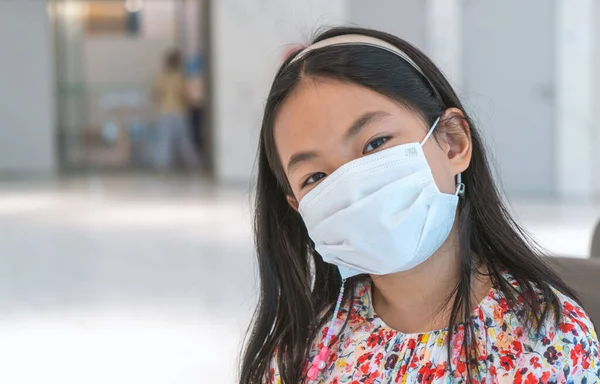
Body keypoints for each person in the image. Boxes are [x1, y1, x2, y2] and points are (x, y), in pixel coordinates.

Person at [240, 27, 600, 383]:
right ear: (298, 207)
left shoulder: (546, 340)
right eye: (315, 178)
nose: (351, 187)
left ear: (453, 142)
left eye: (375, 143)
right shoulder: (298, 352)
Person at [153, 50, 200, 171]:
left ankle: (163, 166)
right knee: (184, 140)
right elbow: (185, 96)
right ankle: (193, 164)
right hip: (179, 112)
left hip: (165, 111)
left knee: (164, 140)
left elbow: (156, 94)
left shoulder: (161, 77)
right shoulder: (181, 77)